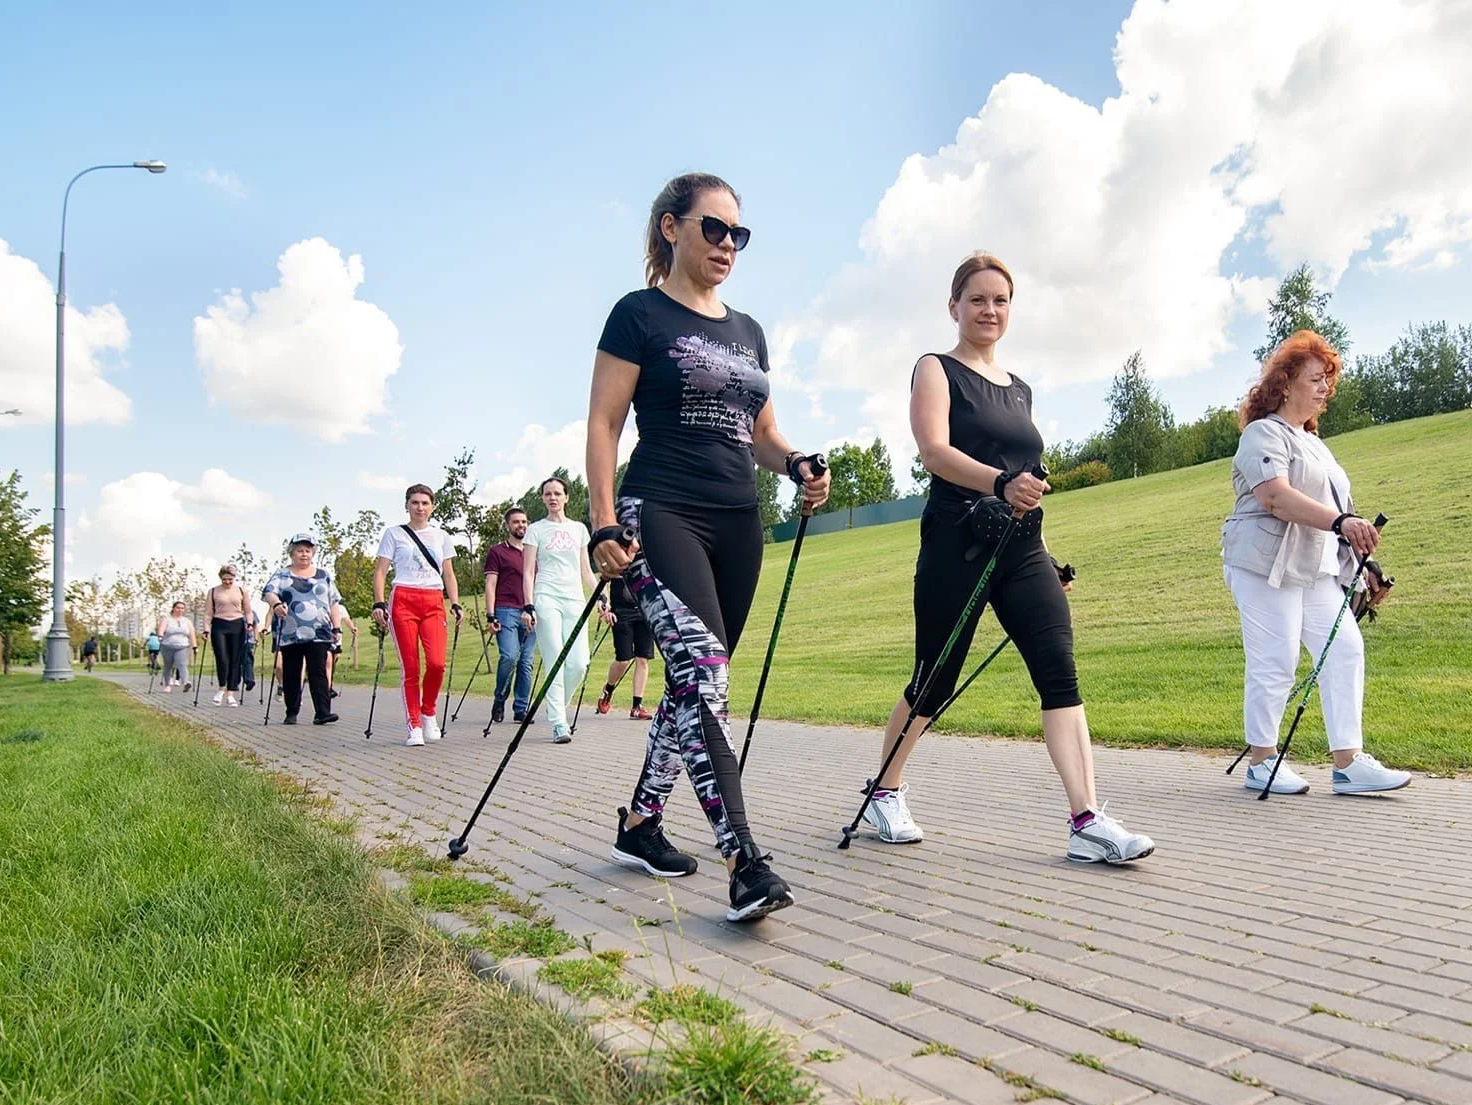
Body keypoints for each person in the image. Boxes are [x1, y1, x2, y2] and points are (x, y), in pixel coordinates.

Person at [586, 171, 829, 922]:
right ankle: (743, 860)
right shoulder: (638, 315)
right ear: (671, 227)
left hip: (737, 520)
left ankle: (639, 823)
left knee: (698, 682)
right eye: (713, 228)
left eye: (738, 234)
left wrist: (795, 464)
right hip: (659, 506)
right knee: (706, 673)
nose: (727, 244)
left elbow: (759, 430)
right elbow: (602, 424)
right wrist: (601, 522)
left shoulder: (749, 331)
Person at [858, 253, 1154, 865]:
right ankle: (885, 791)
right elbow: (934, 452)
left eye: (1000, 300)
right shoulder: (935, 369)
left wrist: (1045, 559)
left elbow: (1030, 481)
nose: (989, 310)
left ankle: (1087, 819)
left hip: (1022, 550)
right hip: (955, 545)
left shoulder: (1019, 388)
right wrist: (997, 483)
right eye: (977, 299)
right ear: (954, 307)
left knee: (1059, 672)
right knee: (933, 679)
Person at [1222, 330, 1411, 797]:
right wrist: (1344, 522)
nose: (1325, 388)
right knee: (1276, 661)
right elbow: (1275, 498)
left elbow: (1335, 513)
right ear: (1284, 383)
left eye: (1328, 379)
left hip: (1318, 569)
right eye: (1315, 378)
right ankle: (1261, 762)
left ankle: (1349, 765)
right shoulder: (1262, 432)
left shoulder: (1316, 444)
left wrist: (1365, 561)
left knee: (1345, 649)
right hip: (1264, 565)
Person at [371, 484, 463, 747]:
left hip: (433, 599)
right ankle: (414, 725)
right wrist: (379, 602)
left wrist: (455, 603)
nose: (420, 507)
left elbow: (448, 573)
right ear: (407, 505)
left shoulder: (441, 536)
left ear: (432, 506)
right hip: (403, 599)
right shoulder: (394, 534)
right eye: (415, 502)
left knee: (436, 664)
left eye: (425, 503)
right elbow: (380, 572)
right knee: (411, 667)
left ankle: (428, 712)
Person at [522, 477, 601, 743]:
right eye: (547, 494)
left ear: (566, 497)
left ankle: (556, 706)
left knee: (579, 663)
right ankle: (559, 723)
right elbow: (528, 571)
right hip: (546, 597)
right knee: (555, 658)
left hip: (575, 599)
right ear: (543, 498)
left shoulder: (579, 529)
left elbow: (585, 570)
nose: (552, 498)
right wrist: (529, 604)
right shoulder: (536, 529)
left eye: (557, 493)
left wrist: (600, 597)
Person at [264, 533, 344, 726]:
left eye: (308, 551)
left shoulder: (323, 575)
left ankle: (323, 712)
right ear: (292, 553)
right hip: (292, 632)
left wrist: (337, 628)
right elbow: (269, 592)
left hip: (320, 632)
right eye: (300, 550)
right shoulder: (282, 574)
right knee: (292, 671)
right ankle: (291, 711)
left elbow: (333, 603)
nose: (304, 554)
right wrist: (276, 605)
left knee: (319, 671)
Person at [484, 505, 538, 724]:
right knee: (509, 656)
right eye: (516, 522)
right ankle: (500, 698)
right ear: (507, 525)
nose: (521, 526)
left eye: (524, 522)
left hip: (530, 610)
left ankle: (521, 709)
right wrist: (490, 615)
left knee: (526, 662)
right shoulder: (498, 551)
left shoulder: (533, 552)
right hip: (505, 610)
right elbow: (490, 584)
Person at [595, 574, 652, 718]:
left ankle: (636, 707)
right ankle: (609, 688)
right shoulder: (617, 553)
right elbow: (604, 579)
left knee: (642, 660)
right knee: (623, 660)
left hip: (643, 610)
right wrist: (605, 607)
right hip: (621, 612)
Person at [206, 565, 250, 707]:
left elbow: (248, 611)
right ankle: (221, 688)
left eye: (230, 579)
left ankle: (231, 693)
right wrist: (206, 629)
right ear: (221, 578)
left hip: (237, 624)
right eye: (225, 579)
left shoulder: (241, 591)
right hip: (219, 624)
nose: (228, 582)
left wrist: (249, 623)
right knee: (222, 658)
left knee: (235, 659)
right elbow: (208, 613)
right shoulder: (213, 591)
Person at [157, 600, 196, 692]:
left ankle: (186, 682)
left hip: (182, 646)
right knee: (168, 665)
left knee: (182, 664)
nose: (180, 610)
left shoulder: (187, 621)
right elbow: (161, 629)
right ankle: (167, 685)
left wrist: (194, 645)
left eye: (182, 608)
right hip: (167, 645)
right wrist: (160, 635)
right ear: (173, 608)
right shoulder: (166, 619)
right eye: (178, 608)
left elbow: (192, 634)